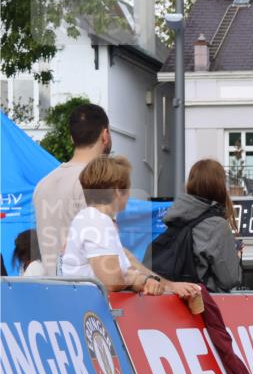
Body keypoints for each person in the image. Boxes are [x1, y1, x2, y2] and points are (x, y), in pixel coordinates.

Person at [58, 155, 198, 299]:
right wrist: (139, 280)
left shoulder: (92, 219)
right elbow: (111, 281)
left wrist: (171, 286)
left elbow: (131, 264)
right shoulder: (96, 221)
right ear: (118, 191)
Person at [33, 104, 112, 275]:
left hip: (53, 292)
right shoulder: (96, 184)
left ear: (71, 138)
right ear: (105, 135)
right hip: (88, 294)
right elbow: (104, 254)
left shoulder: (42, 185)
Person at [159, 159, 242, 292]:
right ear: (219, 186)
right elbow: (230, 279)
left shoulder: (175, 218)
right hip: (199, 305)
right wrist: (235, 255)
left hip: (169, 300)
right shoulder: (217, 225)